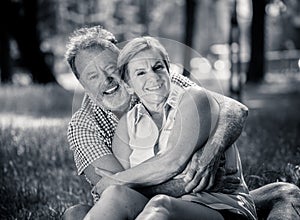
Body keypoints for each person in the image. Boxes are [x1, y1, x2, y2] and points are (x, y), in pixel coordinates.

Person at [63, 26, 300, 220]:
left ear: (123, 68)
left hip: (207, 204)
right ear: (83, 85)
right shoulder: (87, 126)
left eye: (111, 68)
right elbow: (114, 192)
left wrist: (210, 152)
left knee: (284, 192)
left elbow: (235, 109)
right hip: (150, 204)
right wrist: (191, 182)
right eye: (93, 76)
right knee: (76, 214)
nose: (108, 80)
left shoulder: (162, 82)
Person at [85, 36, 257, 220]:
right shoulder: (126, 126)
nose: (152, 76)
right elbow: (121, 190)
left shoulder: (194, 98)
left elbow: (172, 162)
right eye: (140, 73)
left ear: (168, 70)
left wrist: (117, 178)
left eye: (158, 67)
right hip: (156, 207)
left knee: (160, 205)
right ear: (128, 85)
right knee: (115, 196)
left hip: (219, 207)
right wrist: (120, 184)